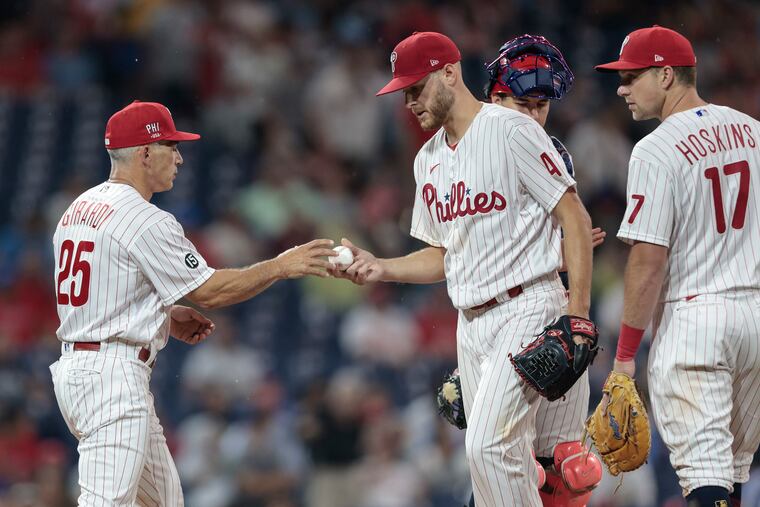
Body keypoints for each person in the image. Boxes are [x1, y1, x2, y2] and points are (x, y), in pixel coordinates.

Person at [333, 32, 595, 507]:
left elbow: (573, 216)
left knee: (491, 449)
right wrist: (380, 267)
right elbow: (441, 254)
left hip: (528, 302)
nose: (409, 101)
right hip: (471, 323)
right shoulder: (426, 161)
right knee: (505, 462)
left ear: (449, 72)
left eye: (416, 87)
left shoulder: (512, 130)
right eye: (403, 91)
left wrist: (577, 315)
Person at [50, 100, 335, 506]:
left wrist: (162, 318)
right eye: (171, 146)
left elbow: (97, 297)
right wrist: (279, 266)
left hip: (80, 369)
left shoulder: (76, 209)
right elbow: (211, 291)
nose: (180, 158)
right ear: (145, 152)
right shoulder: (143, 217)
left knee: (166, 501)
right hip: (112, 378)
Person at [595, 25, 760, 507]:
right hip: (755, 315)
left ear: (666, 74)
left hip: (696, 321)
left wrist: (625, 359)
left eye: (632, 76)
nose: (622, 88)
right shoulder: (754, 131)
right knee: (731, 478)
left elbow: (648, 261)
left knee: (705, 479)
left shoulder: (655, 148)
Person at [483, 34, 604, 507]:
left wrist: (576, 317)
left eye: (541, 105)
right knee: (505, 464)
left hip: (544, 306)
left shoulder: (552, 152)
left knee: (570, 468)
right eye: (524, 103)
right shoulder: (471, 152)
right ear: (495, 97)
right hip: (492, 316)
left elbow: (565, 237)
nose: (534, 115)